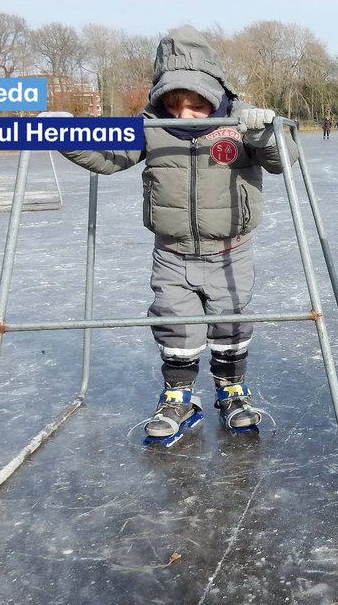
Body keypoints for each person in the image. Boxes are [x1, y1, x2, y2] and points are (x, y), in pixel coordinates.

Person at [59, 25, 295, 445]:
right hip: (171, 252)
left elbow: (283, 160)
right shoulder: (149, 127)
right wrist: (62, 134)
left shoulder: (239, 122)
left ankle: (231, 393)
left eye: (195, 106)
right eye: (173, 105)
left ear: (215, 94)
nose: (183, 115)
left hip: (230, 250)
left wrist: (263, 132)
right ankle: (179, 398)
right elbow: (109, 157)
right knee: (175, 325)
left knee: (232, 323)